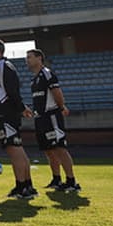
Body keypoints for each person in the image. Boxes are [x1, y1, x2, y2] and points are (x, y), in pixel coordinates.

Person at [0, 38, 36, 199]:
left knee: (14, 150)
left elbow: (11, 93)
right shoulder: (4, 66)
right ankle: (27, 185)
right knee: (18, 149)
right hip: (8, 115)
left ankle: (22, 187)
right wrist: (21, 108)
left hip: (5, 116)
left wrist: (20, 108)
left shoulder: (1, 66)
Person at [24, 49, 81, 192]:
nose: (27, 60)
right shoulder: (34, 79)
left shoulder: (47, 74)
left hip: (52, 116)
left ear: (39, 58)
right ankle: (56, 179)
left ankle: (71, 181)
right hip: (40, 118)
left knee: (60, 148)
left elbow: (57, 92)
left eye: (29, 57)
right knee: (48, 150)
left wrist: (61, 107)